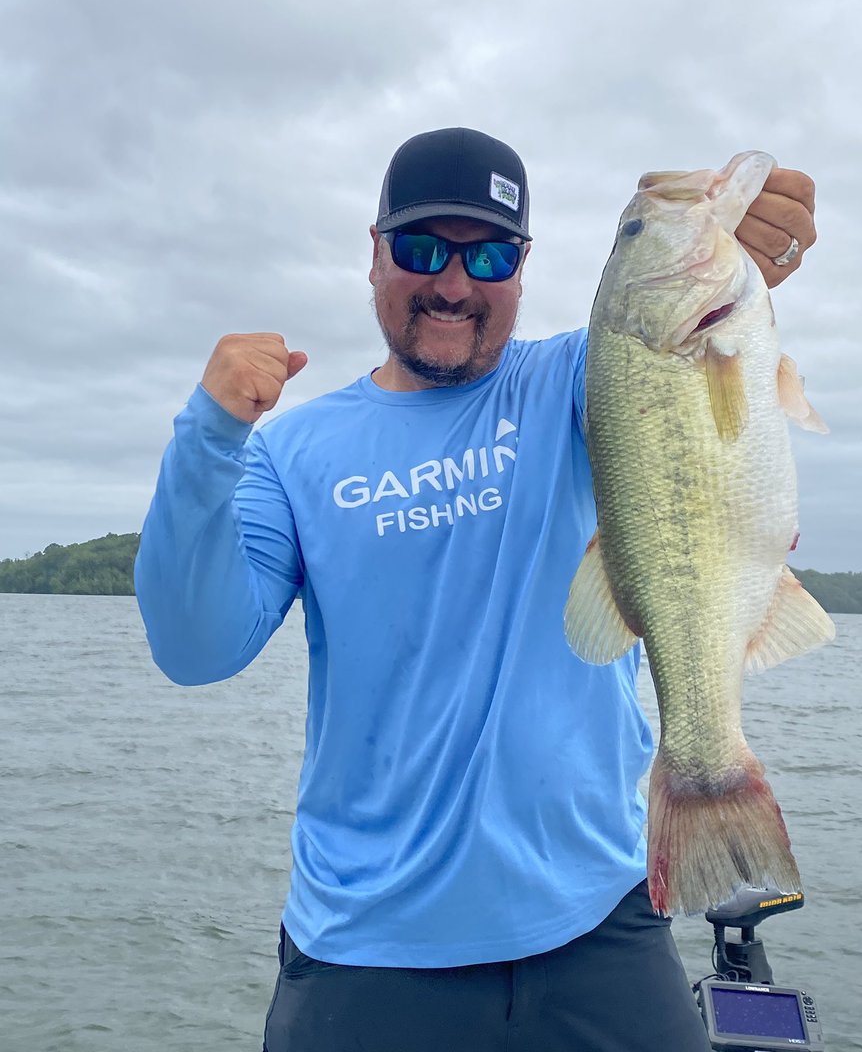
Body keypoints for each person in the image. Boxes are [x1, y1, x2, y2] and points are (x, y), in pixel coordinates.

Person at [135, 127, 817, 1051]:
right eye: (424, 249)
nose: (454, 284)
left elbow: (684, 379)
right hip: (368, 948)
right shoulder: (293, 452)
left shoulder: (583, 376)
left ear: (523, 268)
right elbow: (195, 648)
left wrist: (752, 241)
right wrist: (210, 437)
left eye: (489, 255)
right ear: (375, 252)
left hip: (600, 923)